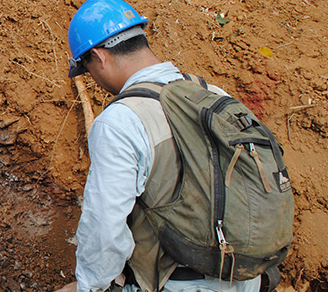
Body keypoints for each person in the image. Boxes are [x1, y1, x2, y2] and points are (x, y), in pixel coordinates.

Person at [57, 1, 263, 292]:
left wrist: (88, 286)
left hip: (181, 284)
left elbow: (104, 228)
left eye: (88, 69)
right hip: (244, 277)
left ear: (99, 57)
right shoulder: (212, 95)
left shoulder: (120, 121)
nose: (94, 79)